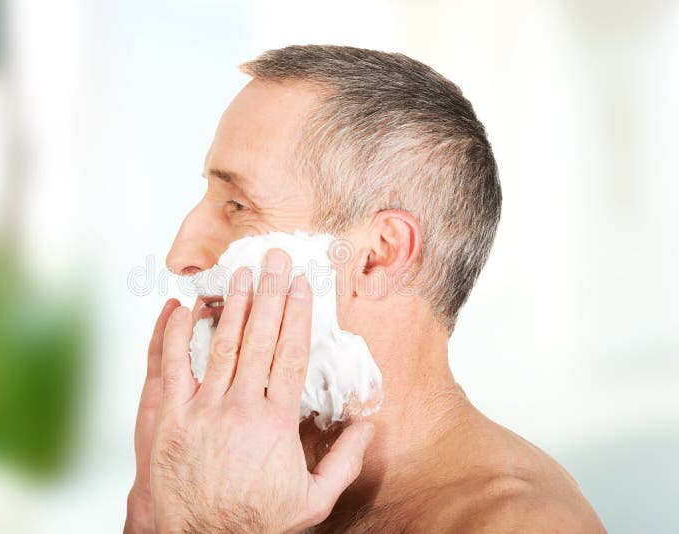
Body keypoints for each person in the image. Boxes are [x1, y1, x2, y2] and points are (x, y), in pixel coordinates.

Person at [124, 45, 605, 533]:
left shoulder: (519, 523)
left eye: (239, 206)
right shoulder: (226, 478)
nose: (179, 256)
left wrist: (214, 525)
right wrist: (153, 513)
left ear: (377, 257)